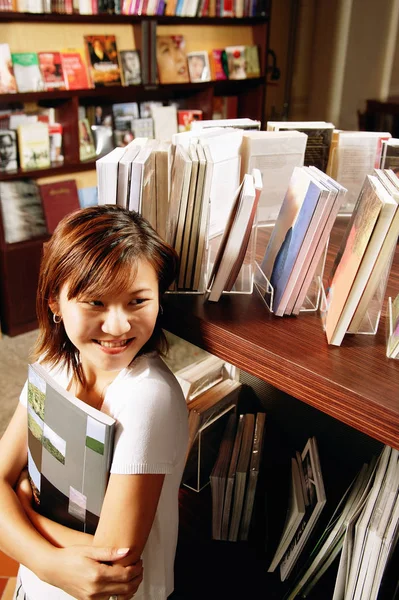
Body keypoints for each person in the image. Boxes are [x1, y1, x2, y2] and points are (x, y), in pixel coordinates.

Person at [0, 205, 189, 600]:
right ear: (55, 302)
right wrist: (46, 564)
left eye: (138, 302)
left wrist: (21, 509)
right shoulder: (53, 364)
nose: (118, 326)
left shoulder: (147, 396)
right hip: (34, 586)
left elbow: (112, 563)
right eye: (95, 303)